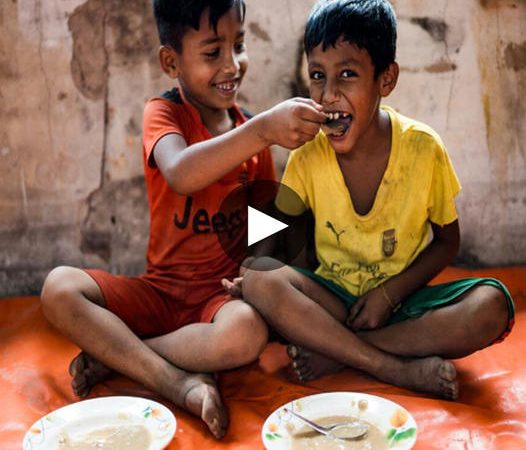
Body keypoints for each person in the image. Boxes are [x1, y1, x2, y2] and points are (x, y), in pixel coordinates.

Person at [40, 0, 326, 439]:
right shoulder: (166, 113)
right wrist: (262, 130)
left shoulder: (253, 138)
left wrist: (254, 269)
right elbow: (180, 172)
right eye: (213, 53)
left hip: (216, 304)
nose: (232, 65)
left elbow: (262, 226)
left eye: (240, 45)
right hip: (159, 293)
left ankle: (121, 357)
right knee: (59, 288)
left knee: (248, 333)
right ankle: (177, 382)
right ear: (170, 61)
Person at [238, 0, 515, 400]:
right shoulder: (308, 155)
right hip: (333, 301)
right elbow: (275, 226)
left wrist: (389, 295)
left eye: (347, 75)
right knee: (260, 280)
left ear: (386, 80)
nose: (329, 94)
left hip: (403, 303)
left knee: (493, 304)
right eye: (318, 76)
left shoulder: (424, 150)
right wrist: (248, 272)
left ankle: (339, 351)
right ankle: (392, 367)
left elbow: (446, 242)